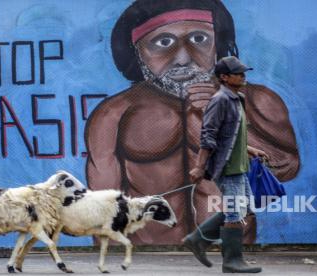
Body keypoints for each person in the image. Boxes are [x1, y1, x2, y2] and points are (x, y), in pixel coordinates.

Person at [85, 0, 299, 244]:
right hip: (149, 260)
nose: (183, 58)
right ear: (137, 52)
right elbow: (105, 206)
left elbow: (286, 169)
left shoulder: (256, 100)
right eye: (163, 42)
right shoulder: (115, 114)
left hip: (229, 248)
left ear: (218, 44)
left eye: (199, 39)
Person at [185, 56, 263, 273]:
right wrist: (200, 166)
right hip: (228, 168)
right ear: (224, 77)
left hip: (239, 166)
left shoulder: (236, 98)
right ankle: (232, 261)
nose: (243, 76)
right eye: (238, 73)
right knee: (234, 214)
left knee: (243, 208)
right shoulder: (220, 100)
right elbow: (208, 135)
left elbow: (231, 136)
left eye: (243, 72)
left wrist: (250, 149)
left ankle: (197, 240)